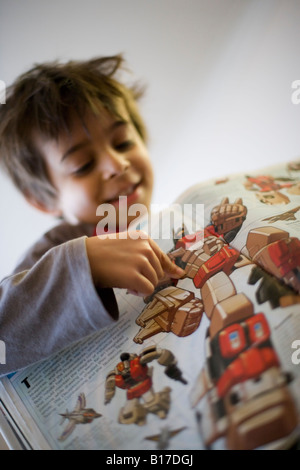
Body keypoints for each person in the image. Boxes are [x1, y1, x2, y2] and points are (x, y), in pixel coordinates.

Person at [0, 54, 184, 376]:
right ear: (46, 201)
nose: (117, 165)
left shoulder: (172, 221)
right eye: (83, 165)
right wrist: (85, 264)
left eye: (123, 142)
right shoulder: (53, 251)